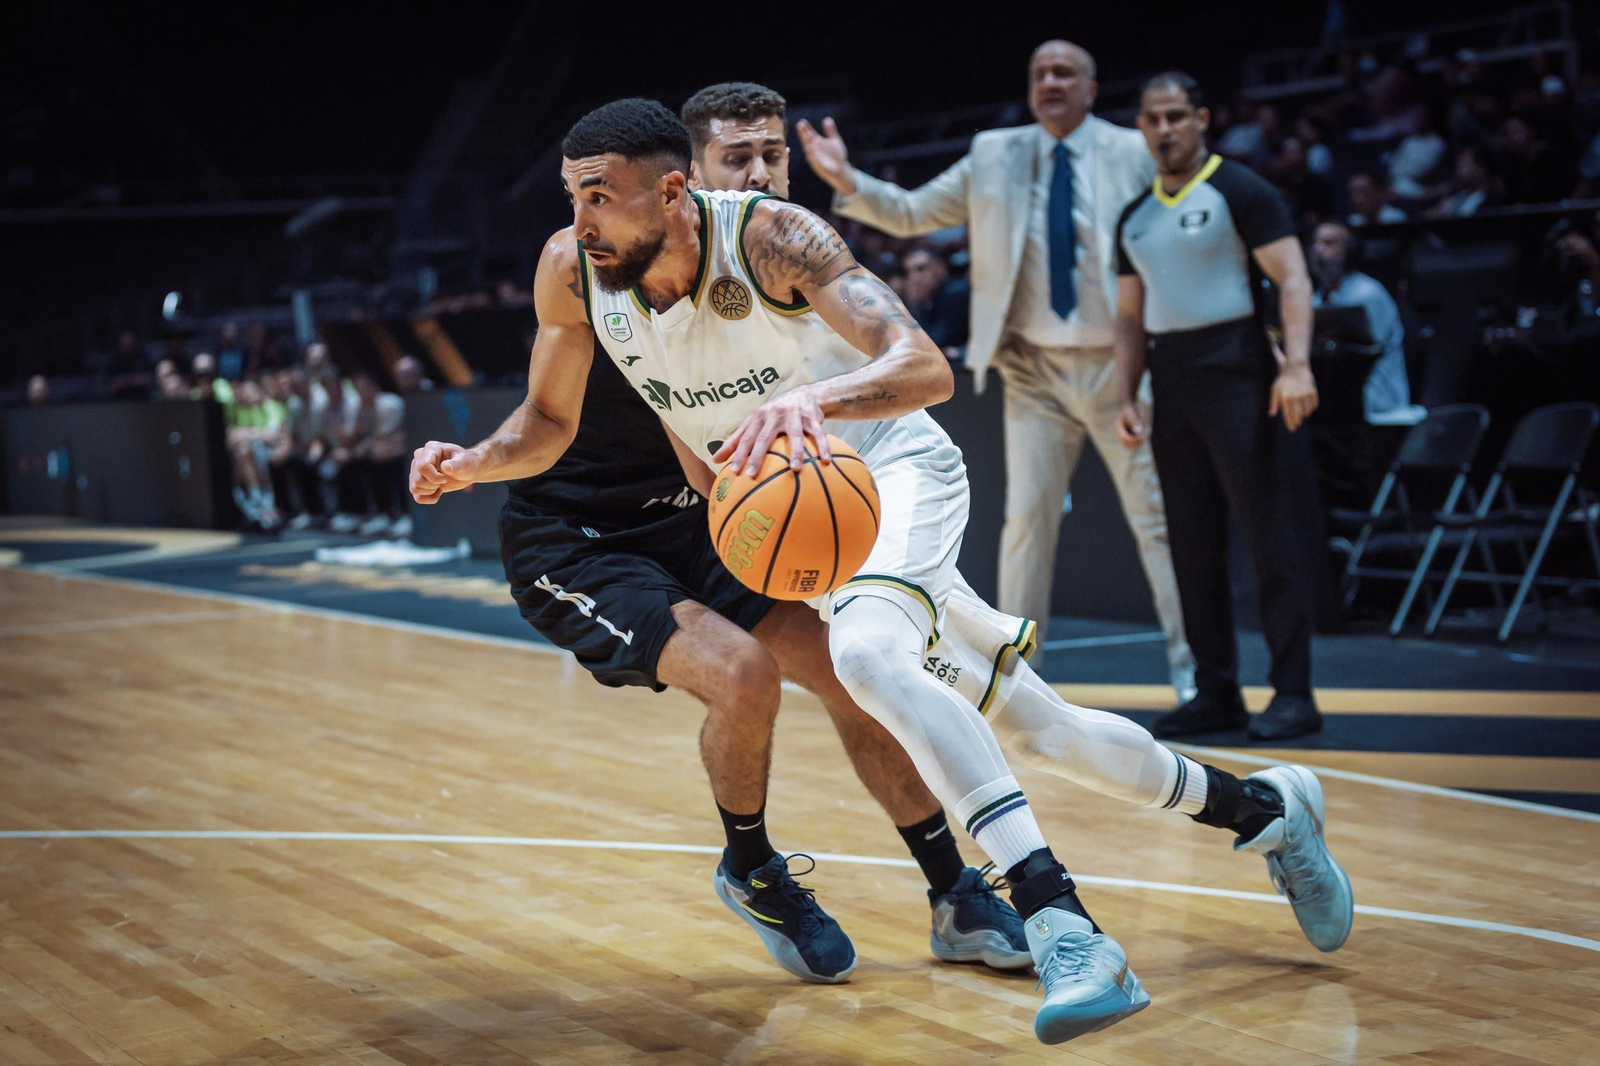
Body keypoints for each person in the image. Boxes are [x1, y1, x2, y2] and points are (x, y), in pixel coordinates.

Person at [412, 98, 1353, 1046]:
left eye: (598, 198)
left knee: (860, 657)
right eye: (573, 197)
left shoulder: (778, 237)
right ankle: (1267, 810)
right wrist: (472, 464)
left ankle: (1063, 924)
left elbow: (925, 365)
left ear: (668, 191)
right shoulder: (580, 273)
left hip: (888, 471)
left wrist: (811, 402)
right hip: (799, 518)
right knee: (1043, 729)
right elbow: (588, 427)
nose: (579, 221)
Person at [799, 41, 1195, 695]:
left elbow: (1179, 240)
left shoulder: (1132, 151)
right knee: (1025, 522)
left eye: (1065, 73)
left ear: (1091, 90)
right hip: (1031, 367)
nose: (1050, 82)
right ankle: (1021, 679)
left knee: (1154, 517)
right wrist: (846, 179)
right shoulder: (994, 153)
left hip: (1116, 363)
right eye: (1039, 73)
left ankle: (1193, 670)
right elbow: (910, 212)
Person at [1113, 73, 1325, 743]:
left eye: (1177, 116)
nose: (1166, 129)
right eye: (1154, 119)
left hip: (1240, 370)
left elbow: (1293, 278)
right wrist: (1126, 392)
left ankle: (1295, 694)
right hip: (1172, 380)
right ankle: (1216, 692)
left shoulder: (1241, 190)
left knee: (1270, 540)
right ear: (1141, 127)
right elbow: (1127, 317)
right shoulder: (1134, 216)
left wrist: (1296, 366)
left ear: (1202, 118)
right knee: (1192, 547)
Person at [1309, 221, 1422, 424]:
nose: (1318, 250)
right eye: (1315, 243)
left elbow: (1367, 353)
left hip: (1375, 392)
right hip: (1336, 394)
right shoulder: (1315, 298)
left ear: (1349, 251)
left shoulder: (1368, 293)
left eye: (1328, 243)